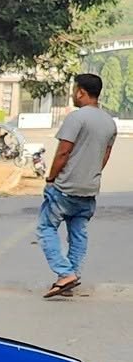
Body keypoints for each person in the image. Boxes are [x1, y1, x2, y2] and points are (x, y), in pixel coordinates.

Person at [38, 73, 118, 298]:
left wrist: (51, 178)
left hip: (65, 188)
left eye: (75, 90)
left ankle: (65, 273)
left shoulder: (76, 118)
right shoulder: (109, 123)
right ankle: (71, 276)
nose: (74, 94)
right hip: (89, 189)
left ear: (81, 91)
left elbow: (63, 152)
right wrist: (91, 174)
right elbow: (105, 156)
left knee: (46, 227)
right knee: (78, 232)